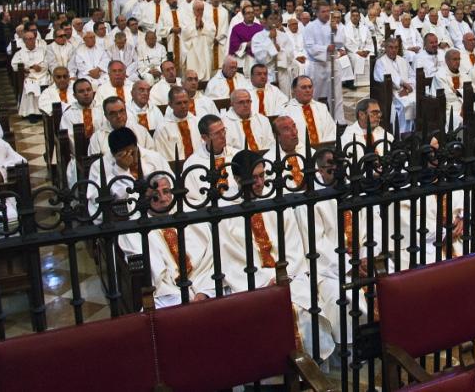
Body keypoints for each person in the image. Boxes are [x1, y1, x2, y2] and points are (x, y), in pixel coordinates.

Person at [219, 150, 336, 361]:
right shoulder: (226, 212)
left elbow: (293, 246)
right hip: (252, 284)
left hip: (289, 277)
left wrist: (283, 274)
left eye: (262, 175)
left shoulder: (276, 202)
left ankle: (309, 373)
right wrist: (267, 279)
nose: (260, 182)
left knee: (307, 313)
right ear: (237, 179)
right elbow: (232, 262)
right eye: (253, 178)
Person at [140, 175, 221, 308]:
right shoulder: (137, 229)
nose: (163, 199)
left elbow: (211, 258)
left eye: (166, 191)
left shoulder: (190, 214)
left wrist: (203, 291)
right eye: (155, 195)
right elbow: (157, 277)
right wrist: (183, 297)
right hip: (169, 294)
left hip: (204, 282)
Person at [303, 3, 347, 124]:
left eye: (328, 11)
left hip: (332, 63)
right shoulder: (310, 27)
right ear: (317, 13)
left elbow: (341, 42)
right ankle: (315, 120)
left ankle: (338, 121)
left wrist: (335, 30)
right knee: (314, 94)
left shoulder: (334, 25)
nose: (326, 14)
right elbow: (309, 47)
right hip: (317, 65)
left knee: (336, 94)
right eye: (323, 11)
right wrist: (326, 48)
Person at [373, 37, 415, 132]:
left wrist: (408, 89)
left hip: (408, 91)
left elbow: (412, 76)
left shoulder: (403, 60)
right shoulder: (380, 62)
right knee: (405, 104)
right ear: (386, 48)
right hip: (391, 93)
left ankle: (415, 132)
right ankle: (402, 134)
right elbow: (382, 78)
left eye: (396, 47)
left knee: (418, 101)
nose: (393, 50)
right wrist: (402, 83)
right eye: (391, 47)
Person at [282, 76, 337, 146]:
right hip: (300, 153)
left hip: (324, 151)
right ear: (294, 90)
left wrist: (324, 149)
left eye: (310, 87)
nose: (308, 90)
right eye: (303, 87)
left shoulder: (322, 107)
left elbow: (331, 131)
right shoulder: (286, 111)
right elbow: (287, 138)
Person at [153, 86, 204, 161]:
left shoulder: (198, 122)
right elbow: (161, 156)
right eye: (179, 103)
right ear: (170, 105)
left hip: (200, 165)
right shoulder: (163, 128)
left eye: (185, 102)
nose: (183, 106)